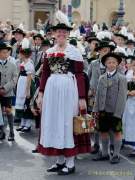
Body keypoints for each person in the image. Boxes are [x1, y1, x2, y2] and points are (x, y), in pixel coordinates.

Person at [37, 10, 91, 175]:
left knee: (67, 123)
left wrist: (82, 97)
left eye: (64, 32)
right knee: (54, 122)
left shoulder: (74, 51)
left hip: (69, 90)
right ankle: (59, 161)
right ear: (54, 34)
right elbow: (45, 74)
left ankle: (70, 162)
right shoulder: (49, 52)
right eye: (58, 32)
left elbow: (80, 75)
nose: (61, 34)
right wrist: (40, 93)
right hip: (53, 90)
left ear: (67, 34)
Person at [93, 53, 127, 164]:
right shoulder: (102, 77)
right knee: (103, 131)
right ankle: (105, 153)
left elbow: (122, 97)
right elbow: (98, 95)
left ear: (117, 64)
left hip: (115, 110)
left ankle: (116, 155)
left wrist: (119, 112)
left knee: (117, 132)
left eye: (114, 62)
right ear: (105, 64)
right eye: (109, 62)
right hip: (103, 110)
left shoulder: (121, 78)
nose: (111, 64)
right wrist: (95, 109)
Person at [88, 40, 116, 154]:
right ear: (99, 51)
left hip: (109, 98)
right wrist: (89, 90)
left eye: (108, 51)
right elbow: (88, 77)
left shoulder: (113, 64)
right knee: (95, 122)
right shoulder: (93, 64)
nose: (106, 53)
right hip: (94, 97)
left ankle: (112, 145)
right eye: (104, 51)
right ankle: (96, 144)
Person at [15, 39, 35, 133]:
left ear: (23, 54)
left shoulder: (29, 64)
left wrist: (27, 91)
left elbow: (29, 78)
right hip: (21, 84)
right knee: (22, 105)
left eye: (20, 53)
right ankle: (22, 123)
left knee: (26, 104)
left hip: (26, 85)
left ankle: (28, 124)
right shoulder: (22, 63)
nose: (19, 55)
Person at [0, 42, 18, 141]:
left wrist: (5, 88)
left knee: (8, 112)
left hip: (8, 93)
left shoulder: (12, 65)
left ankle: (11, 132)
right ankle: (2, 131)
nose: (6, 54)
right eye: (3, 52)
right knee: (0, 113)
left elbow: (15, 79)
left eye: (7, 52)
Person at [122, 56, 135, 157]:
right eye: (134, 65)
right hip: (129, 102)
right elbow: (124, 87)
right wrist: (127, 92)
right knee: (130, 124)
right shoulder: (129, 74)